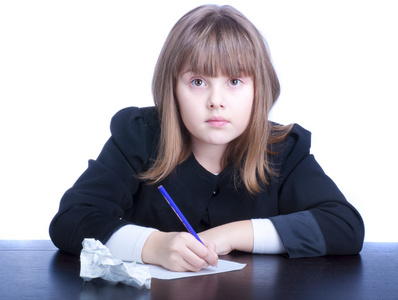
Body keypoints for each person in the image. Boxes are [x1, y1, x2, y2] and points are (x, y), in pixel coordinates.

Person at [49, 4, 364, 272]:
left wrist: (230, 235)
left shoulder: (282, 149)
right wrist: (152, 245)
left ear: (259, 89)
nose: (216, 100)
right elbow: (71, 220)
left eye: (235, 81)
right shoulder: (139, 135)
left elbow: (345, 228)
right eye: (198, 81)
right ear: (172, 88)